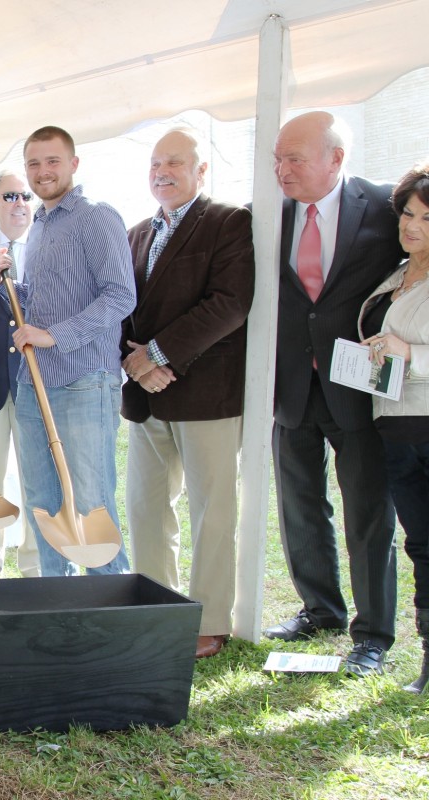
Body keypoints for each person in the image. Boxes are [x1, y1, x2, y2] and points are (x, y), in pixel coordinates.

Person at [265, 111, 403, 678]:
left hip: (358, 390)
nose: (282, 169)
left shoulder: (387, 205)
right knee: (299, 505)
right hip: (292, 386)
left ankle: (372, 635)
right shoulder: (264, 213)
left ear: (337, 159)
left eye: (295, 157)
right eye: (277, 157)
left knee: (368, 512)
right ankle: (319, 608)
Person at [121, 129, 254, 659]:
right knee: (147, 508)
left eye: (175, 162)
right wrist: (136, 363)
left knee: (211, 511)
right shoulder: (135, 233)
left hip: (206, 395)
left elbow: (230, 303)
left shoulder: (227, 221)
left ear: (202, 171)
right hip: (147, 396)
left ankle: (211, 619)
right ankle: (158, 607)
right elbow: (119, 307)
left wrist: (157, 355)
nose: (162, 171)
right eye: (155, 163)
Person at [13, 125, 135, 577]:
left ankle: (112, 613)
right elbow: (48, 298)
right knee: (43, 504)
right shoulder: (39, 225)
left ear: (73, 164)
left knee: (90, 505)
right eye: (33, 163)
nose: (42, 172)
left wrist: (55, 335)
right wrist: (12, 287)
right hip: (33, 383)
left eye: (52, 161)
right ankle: (57, 609)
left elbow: (120, 295)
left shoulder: (96, 216)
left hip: (84, 379)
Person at [357, 162, 429, 692]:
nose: (413, 226)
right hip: (396, 425)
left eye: (427, 218)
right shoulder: (400, 273)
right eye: (408, 213)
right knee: (422, 546)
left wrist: (409, 354)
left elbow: (411, 351)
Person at [0, 169, 40, 579]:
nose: (19, 203)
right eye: (9, 196)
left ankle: (37, 569)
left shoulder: (47, 247)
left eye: (25, 196)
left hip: (36, 384)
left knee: (39, 480)